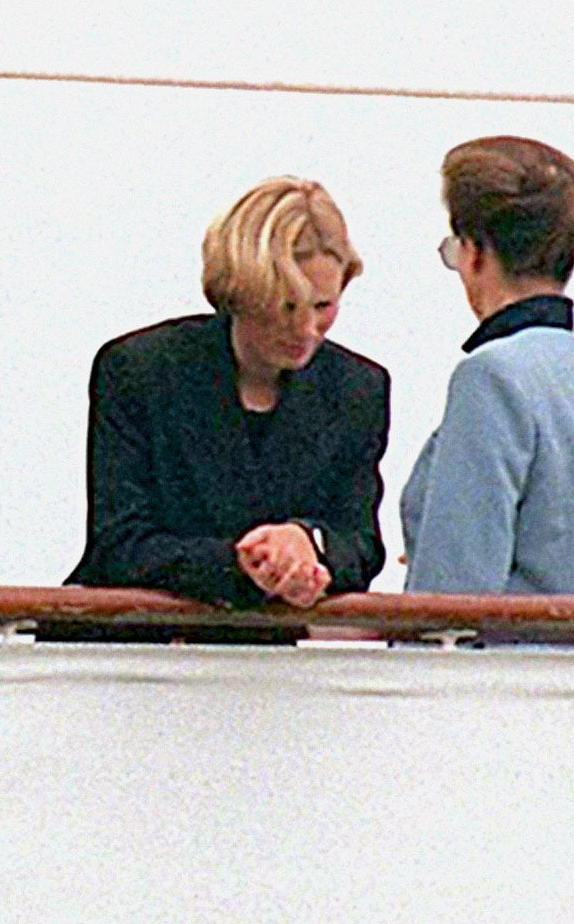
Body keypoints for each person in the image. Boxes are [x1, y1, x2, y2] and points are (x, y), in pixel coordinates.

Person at [71, 178, 390, 608]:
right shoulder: (141, 371)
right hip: (143, 653)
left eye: (323, 307)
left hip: (268, 659)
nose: (306, 331)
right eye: (286, 306)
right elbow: (119, 543)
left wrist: (305, 540)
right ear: (242, 291)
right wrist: (247, 562)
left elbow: (361, 544)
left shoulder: (357, 389)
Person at [398, 136, 574, 594]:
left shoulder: (490, 375)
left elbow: (454, 589)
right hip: (572, 659)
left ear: (476, 251)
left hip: (495, 663)